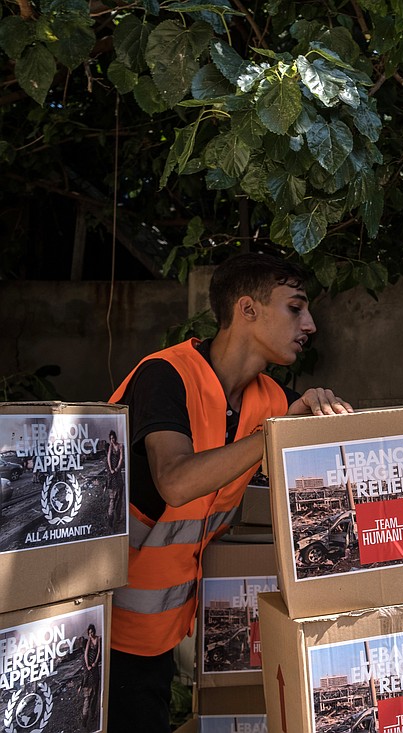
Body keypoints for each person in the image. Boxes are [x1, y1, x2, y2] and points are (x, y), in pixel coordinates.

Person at [106, 253, 354, 733]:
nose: (311, 325)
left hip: (163, 628)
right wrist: (275, 435)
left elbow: (306, 505)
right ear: (247, 309)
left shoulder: (271, 399)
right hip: (101, 621)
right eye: (295, 308)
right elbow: (175, 482)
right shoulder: (166, 375)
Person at [80, 624, 102, 731]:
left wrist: (95, 663)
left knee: (95, 693)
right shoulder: (89, 640)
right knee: (87, 696)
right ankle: (85, 717)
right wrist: (88, 665)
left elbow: (99, 652)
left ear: (94, 631)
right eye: (89, 633)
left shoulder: (98, 639)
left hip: (95, 667)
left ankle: (93, 715)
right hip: (88, 669)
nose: (91, 634)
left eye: (92, 632)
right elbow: (85, 653)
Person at [104, 429, 124, 528]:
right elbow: (108, 458)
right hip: (112, 475)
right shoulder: (110, 447)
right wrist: (111, 469)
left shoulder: (120, 445)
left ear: (115, 437)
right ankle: (111, 518)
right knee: (112, 498)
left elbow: (121, 458)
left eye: (113, 438)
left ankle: (118, 517)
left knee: (119, 497)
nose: (112, 440)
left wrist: (116, 468)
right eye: (110, 438)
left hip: (118, 474)